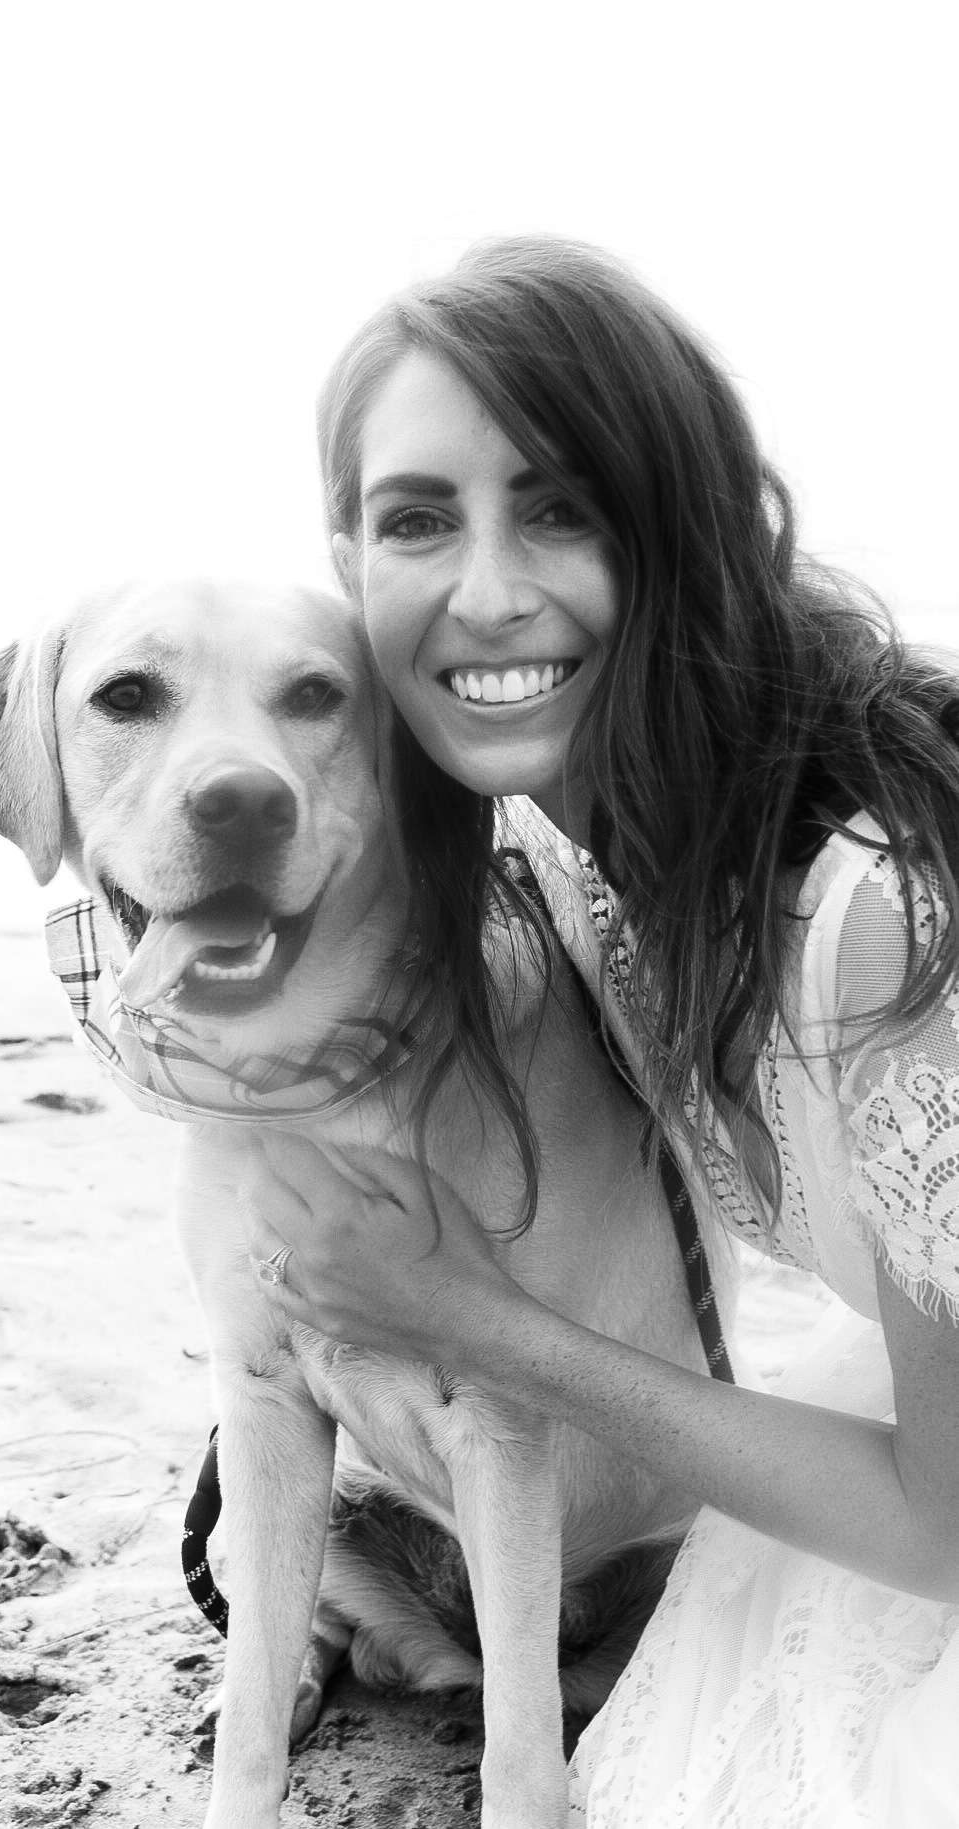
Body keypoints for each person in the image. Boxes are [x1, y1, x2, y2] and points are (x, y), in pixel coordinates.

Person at [243, 237, 959, 1826]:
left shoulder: (884, 917)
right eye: (416, 518)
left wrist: (482, 1325)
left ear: (682, 532)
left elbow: (944, 1525)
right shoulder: (577, 860)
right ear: (350, 562)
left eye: (559, 508)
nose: (486, 590)